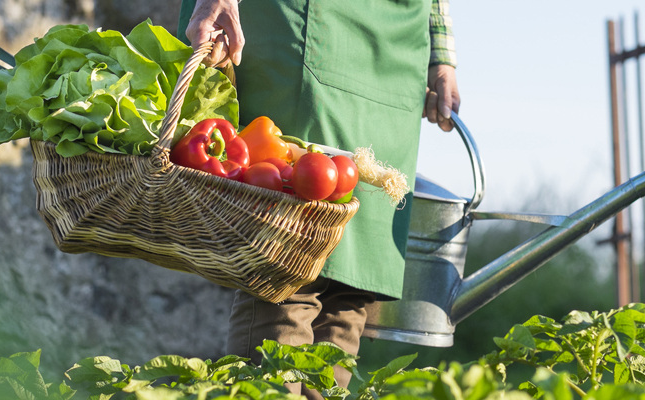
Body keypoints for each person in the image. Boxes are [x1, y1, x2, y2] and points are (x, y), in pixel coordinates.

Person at [177, 0, 460, 398]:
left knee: (350, 293)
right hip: (304, 25)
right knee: (286, 267)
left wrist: (441, 55)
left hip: (397, 41)